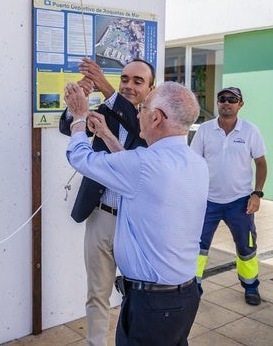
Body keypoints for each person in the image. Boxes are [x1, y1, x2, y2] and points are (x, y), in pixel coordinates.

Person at [65, 81, 208, 346]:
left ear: (156, 118)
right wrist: (108, 135)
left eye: (143, 108)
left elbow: (80, 157)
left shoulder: (144, 165)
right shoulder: (194, 163)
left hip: (153, 305)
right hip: (182, 297)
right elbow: (136, 175)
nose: (138, 113)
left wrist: (79, 117)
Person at [59, 57, 154, 346]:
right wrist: (77, 105)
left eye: (138, 81)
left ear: (152, 88)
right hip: (100, 216)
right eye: (124, 79)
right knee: (97, 293)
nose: (128, 85)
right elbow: (68, 127)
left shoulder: (156, 120)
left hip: (135, 221)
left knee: (138, 293)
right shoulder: (108, 109)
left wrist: (105, 86)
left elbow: (134, 130)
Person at [190, 86, 267, 305]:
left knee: (246, 247)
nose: (226, 103)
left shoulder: (250, 131)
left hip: (240, 203)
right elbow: (193, 163)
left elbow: (261, 164)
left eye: (232, 99)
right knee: (197, 247)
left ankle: (250, 285)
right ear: (217, 103)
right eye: (222, 99)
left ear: (240, 104)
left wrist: (257, 194)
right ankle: (192, 286)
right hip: (207, 201)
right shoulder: (204, 130)